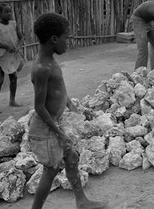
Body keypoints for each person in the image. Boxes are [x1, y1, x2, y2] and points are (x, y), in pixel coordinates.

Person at [29, 13, 106, 209]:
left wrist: (69, 102)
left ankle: (82, 202)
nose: (68, 42)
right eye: (66, 38)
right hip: (45, 129)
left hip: (53, 125)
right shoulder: (42, 68)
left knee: (71, 158)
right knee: (51, 170)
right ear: (54, 39)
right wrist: (60, 133)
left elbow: (56, 90)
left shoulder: (51, 62)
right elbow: (39, 106)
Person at [0, 2, 23, 113]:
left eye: (10, 11)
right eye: (6, 12)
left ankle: (12, 100)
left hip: (11, 55)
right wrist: (6, 46)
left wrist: (17, 47)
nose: (9, 14)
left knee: (13, 77)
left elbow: (21, 37)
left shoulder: (13, 24)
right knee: (0, 79)